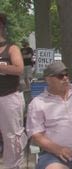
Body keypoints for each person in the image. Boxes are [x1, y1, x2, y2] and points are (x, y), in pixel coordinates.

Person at [0, 13, 28, 169]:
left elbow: (19, 69)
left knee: (11, 137)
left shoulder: (12, 48)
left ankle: (13, 166)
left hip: (8, 98)